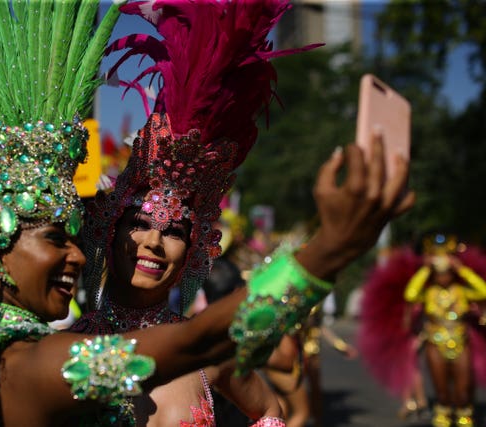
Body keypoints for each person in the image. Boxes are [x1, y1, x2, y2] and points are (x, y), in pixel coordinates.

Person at [0, 1, 414, 427]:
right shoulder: (27, 365)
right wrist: (331, 247)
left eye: (174, 232)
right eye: (54, 235)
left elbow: (230, 375)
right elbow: (196, 346)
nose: (74, 251)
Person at [70, 1, 413, 426]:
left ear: (194, 250)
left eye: (175, 230)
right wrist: (331, 247)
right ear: (108, 229)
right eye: (139, 224)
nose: (155, 241)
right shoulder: (62, 354)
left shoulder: (199, 350)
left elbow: (270, 409)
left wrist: (335, 246)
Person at [404, 235, 486, 427]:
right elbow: (410, 294)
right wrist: (426, 268)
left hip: (461, 342)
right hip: (435, 343)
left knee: (463, 393)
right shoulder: (429, 292)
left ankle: (465, 420)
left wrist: (462, 270)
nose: (443, 276)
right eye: (439, 272)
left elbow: (483, 290)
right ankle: (443, 420)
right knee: (441, 393)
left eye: (447, 271)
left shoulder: (462, 291)